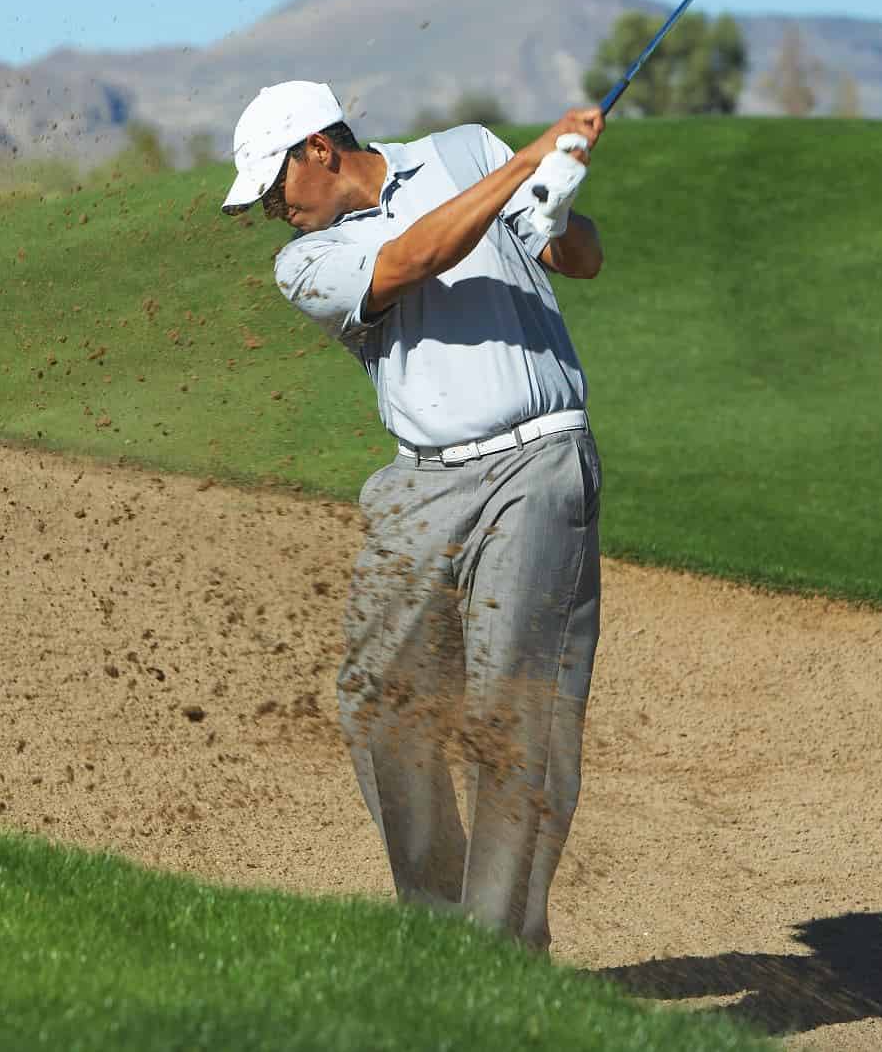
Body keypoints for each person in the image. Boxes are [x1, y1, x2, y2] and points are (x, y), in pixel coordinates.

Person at [221, 80, 606, 950]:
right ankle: (440, 929)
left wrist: (556, 209)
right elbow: (413, 259)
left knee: (518, 715)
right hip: (419, 484)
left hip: (538, 466)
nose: (272, 209)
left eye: (273, 184)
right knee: (377, 700)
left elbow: (583, 261)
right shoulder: (306, 262)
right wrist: (523, 166)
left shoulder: (462, 150)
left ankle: (498, 956)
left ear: (317, 146)